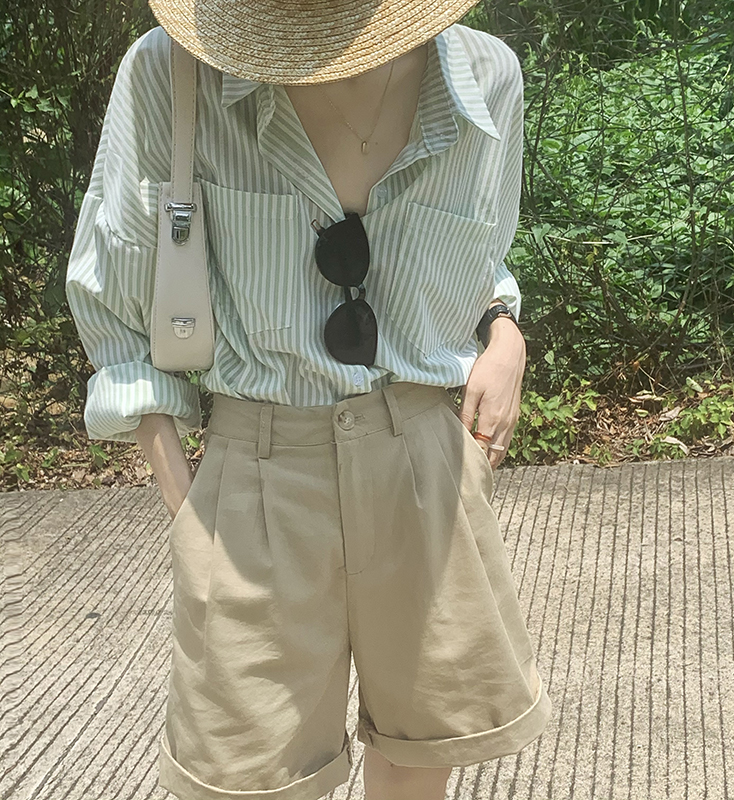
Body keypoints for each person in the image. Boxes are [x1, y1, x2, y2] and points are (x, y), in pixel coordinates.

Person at [65, 0, 552, 798]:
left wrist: (505, 331)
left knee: (420, 752)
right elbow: (114, 301)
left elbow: (474, 255)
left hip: (423, 458)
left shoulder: (484, 77)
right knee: (250, 778)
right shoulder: (174, 72)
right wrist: (190, 512)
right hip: (257, 474)